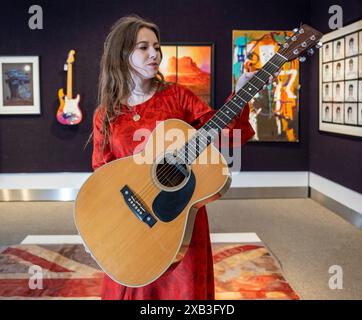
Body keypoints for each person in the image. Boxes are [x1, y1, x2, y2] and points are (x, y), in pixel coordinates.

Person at [91, 15, 255, 300]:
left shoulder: (177, 97)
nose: (154, 54)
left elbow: (226, 133)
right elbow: (101, 170)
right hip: (130, 220)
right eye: (143, 47)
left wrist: (240, 95)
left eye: (156, 46)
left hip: (179, 217)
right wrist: (103, 226)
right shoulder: (106, 113)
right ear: (122, 54)